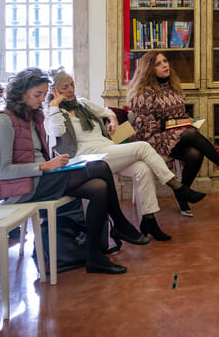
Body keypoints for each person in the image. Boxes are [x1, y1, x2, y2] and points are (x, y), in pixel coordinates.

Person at [0, 67, 150, 275]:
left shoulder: (31, 115)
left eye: (44, 94)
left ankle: (94, 257)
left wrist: (49, 165)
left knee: (98, 187)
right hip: (22, 189)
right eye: (38, 94)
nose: (41, 99)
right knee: (100, 166)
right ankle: (119, 223)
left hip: (40, 179)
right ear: (20, 93)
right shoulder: (3, 120)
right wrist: (44, 166)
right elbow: (3, 172)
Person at [45, 69, 205, 242]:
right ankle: (178, 188)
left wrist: (113, 121)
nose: (70, 90)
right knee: (142, 147)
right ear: (53, 91)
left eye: (72, 85)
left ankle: (149, 220)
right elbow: (58, 131)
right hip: (85, 158)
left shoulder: (82, 103)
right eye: (64, 87)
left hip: (106, 149)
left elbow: (108, 112)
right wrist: (55, 105)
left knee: (143, 168)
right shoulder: (52, 114)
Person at [127, 51, 219, 216]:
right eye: (158, 63)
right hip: (151, 140)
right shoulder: (144, 92)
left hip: (174, 137)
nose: (165, 65)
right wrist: (174, 125)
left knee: (195, 153)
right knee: (190, 134)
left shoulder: (173, 86)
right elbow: (142, 127)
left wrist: (188, 122)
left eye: (165, 61)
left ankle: (182, 193)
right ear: (148, 69)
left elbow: (179, 114)